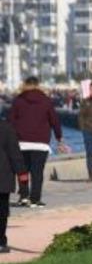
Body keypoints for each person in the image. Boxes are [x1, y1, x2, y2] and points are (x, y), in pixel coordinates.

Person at [9, 76, 64, 208]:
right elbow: (54, 121)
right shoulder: (46, 101)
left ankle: (24, 196)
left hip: (21, 142)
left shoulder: (18, 100)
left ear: (24, 85)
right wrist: (59, 138)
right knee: (37, 172)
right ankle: (35, 199)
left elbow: (10, 121)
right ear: (38, 85)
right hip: (40, 143)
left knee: (23, 171)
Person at [0, 119, 26, 253]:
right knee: (2, 212)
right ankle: (1, 242)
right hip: (2, 177)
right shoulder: (6, 128)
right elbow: (15, 154)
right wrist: (22, 175)